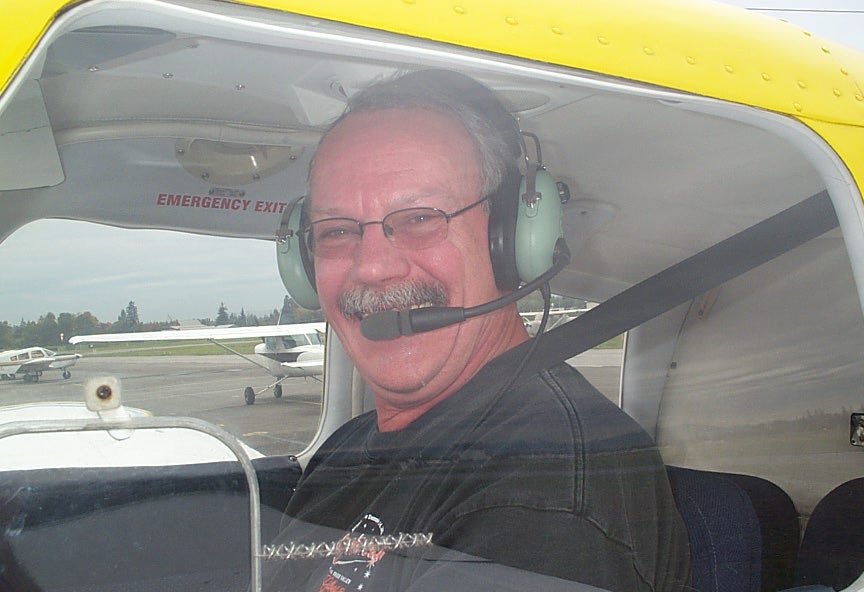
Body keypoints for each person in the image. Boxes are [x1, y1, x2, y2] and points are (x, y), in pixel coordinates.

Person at [266, 70, 691, 591]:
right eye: (335, 232)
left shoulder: (544, 501)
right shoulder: (348, 448)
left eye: (420, 219)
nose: (372, 268)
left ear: (509, 240)